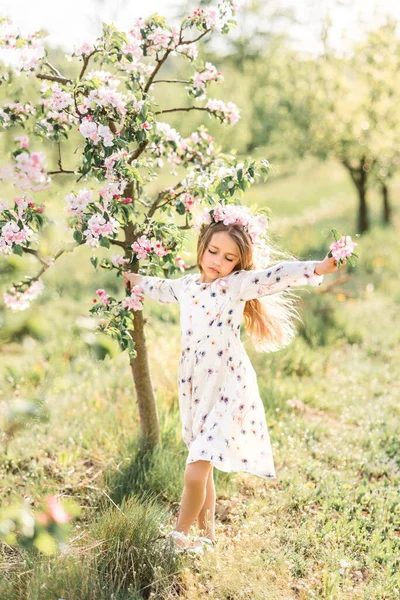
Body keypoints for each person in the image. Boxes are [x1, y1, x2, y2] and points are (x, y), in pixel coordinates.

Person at [123, 203, 346, 554]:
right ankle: (208, 538)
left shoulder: (235, 287)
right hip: (195, 386)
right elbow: (159, 287)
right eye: (213, 251)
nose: (217, 261)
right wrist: (133, 281)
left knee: (195, 469)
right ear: (201, 246)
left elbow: (277, 274)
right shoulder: (185, 286)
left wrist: (318, 268)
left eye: (228, 258)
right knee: (203, 462)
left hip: (226, 386)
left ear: (238, 264)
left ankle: (178, 537)